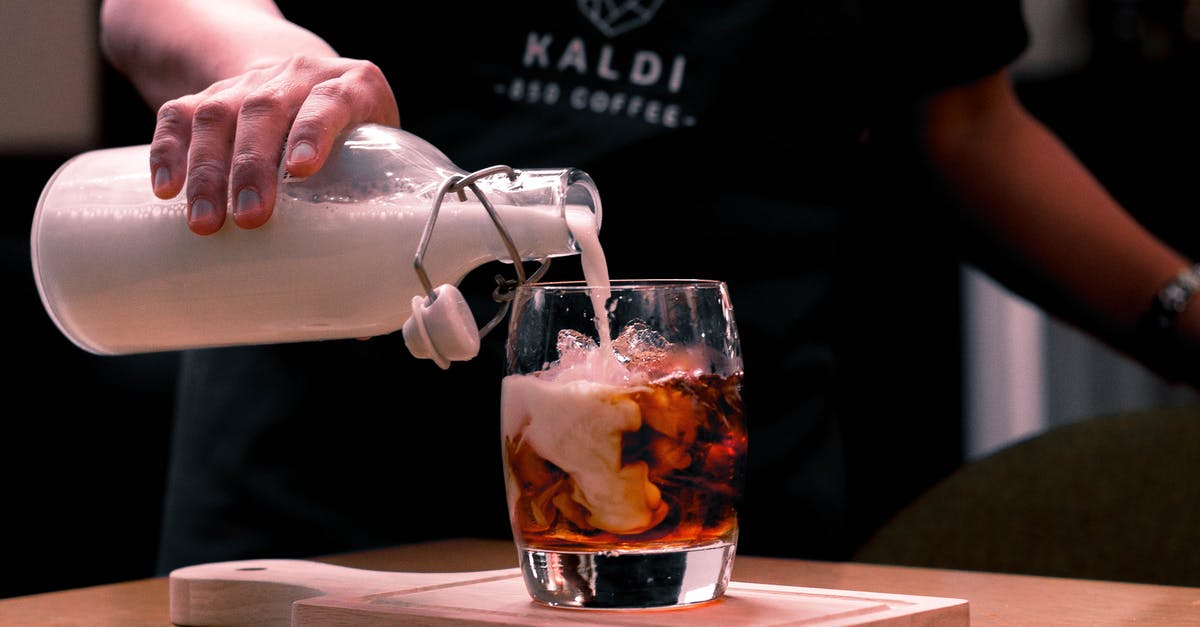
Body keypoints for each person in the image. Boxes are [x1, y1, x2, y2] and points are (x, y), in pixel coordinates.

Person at [97, 0, 1200, 573]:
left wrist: (1181, 309)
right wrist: (278, 60)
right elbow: (149, 8)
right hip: (328, 509)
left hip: (713, 523)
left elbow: (964, 123)